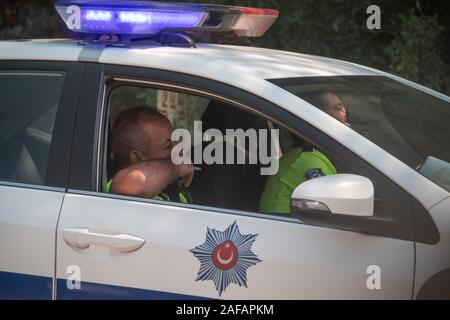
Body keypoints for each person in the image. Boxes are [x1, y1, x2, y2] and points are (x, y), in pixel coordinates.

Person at [259, 91, 350, 214]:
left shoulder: (302, 156)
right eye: (338, 107)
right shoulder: (307, 163)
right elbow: (340, 213)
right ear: (319, 119)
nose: (344, 112)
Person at [104, 106, 194, 203]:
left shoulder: (172, 186)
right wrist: (177, 168)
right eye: (168, 145)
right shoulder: (114, 188)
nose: (180, 150)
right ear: (136, 157)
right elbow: (133, 182)